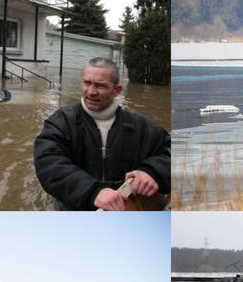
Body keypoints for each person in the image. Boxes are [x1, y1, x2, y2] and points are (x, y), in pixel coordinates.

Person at [34, 58, 170, 211]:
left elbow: (172, 153)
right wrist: (93, 192)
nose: (91, 92)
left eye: (100, 85)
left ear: (117, 90)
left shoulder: (142, 126)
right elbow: (48, 162)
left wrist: (153, 171)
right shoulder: (61, 121)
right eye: (87, 83)